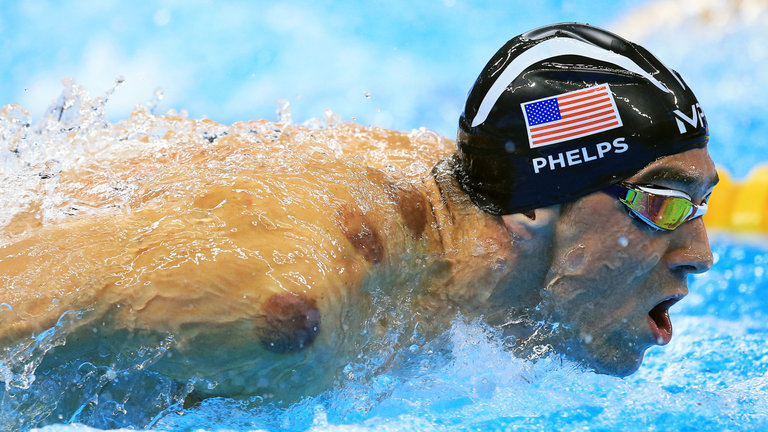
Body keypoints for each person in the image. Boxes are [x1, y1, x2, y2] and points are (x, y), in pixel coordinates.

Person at [0, 23, 717, 403]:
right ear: (532, 210)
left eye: (703, 204)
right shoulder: (282, 309)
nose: (701, 251)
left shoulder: (454, 208)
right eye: (662, 204)